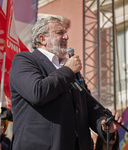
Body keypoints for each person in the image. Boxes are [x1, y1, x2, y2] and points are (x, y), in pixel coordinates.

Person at [9, 15, 123, 150]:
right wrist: (68, 70)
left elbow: (89, 106)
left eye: (66, 32)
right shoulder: (25, 60)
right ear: (42, 39)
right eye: (59, 33)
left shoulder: (70, 70)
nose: (66, 37)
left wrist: (103, 124)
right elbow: (37, 92)